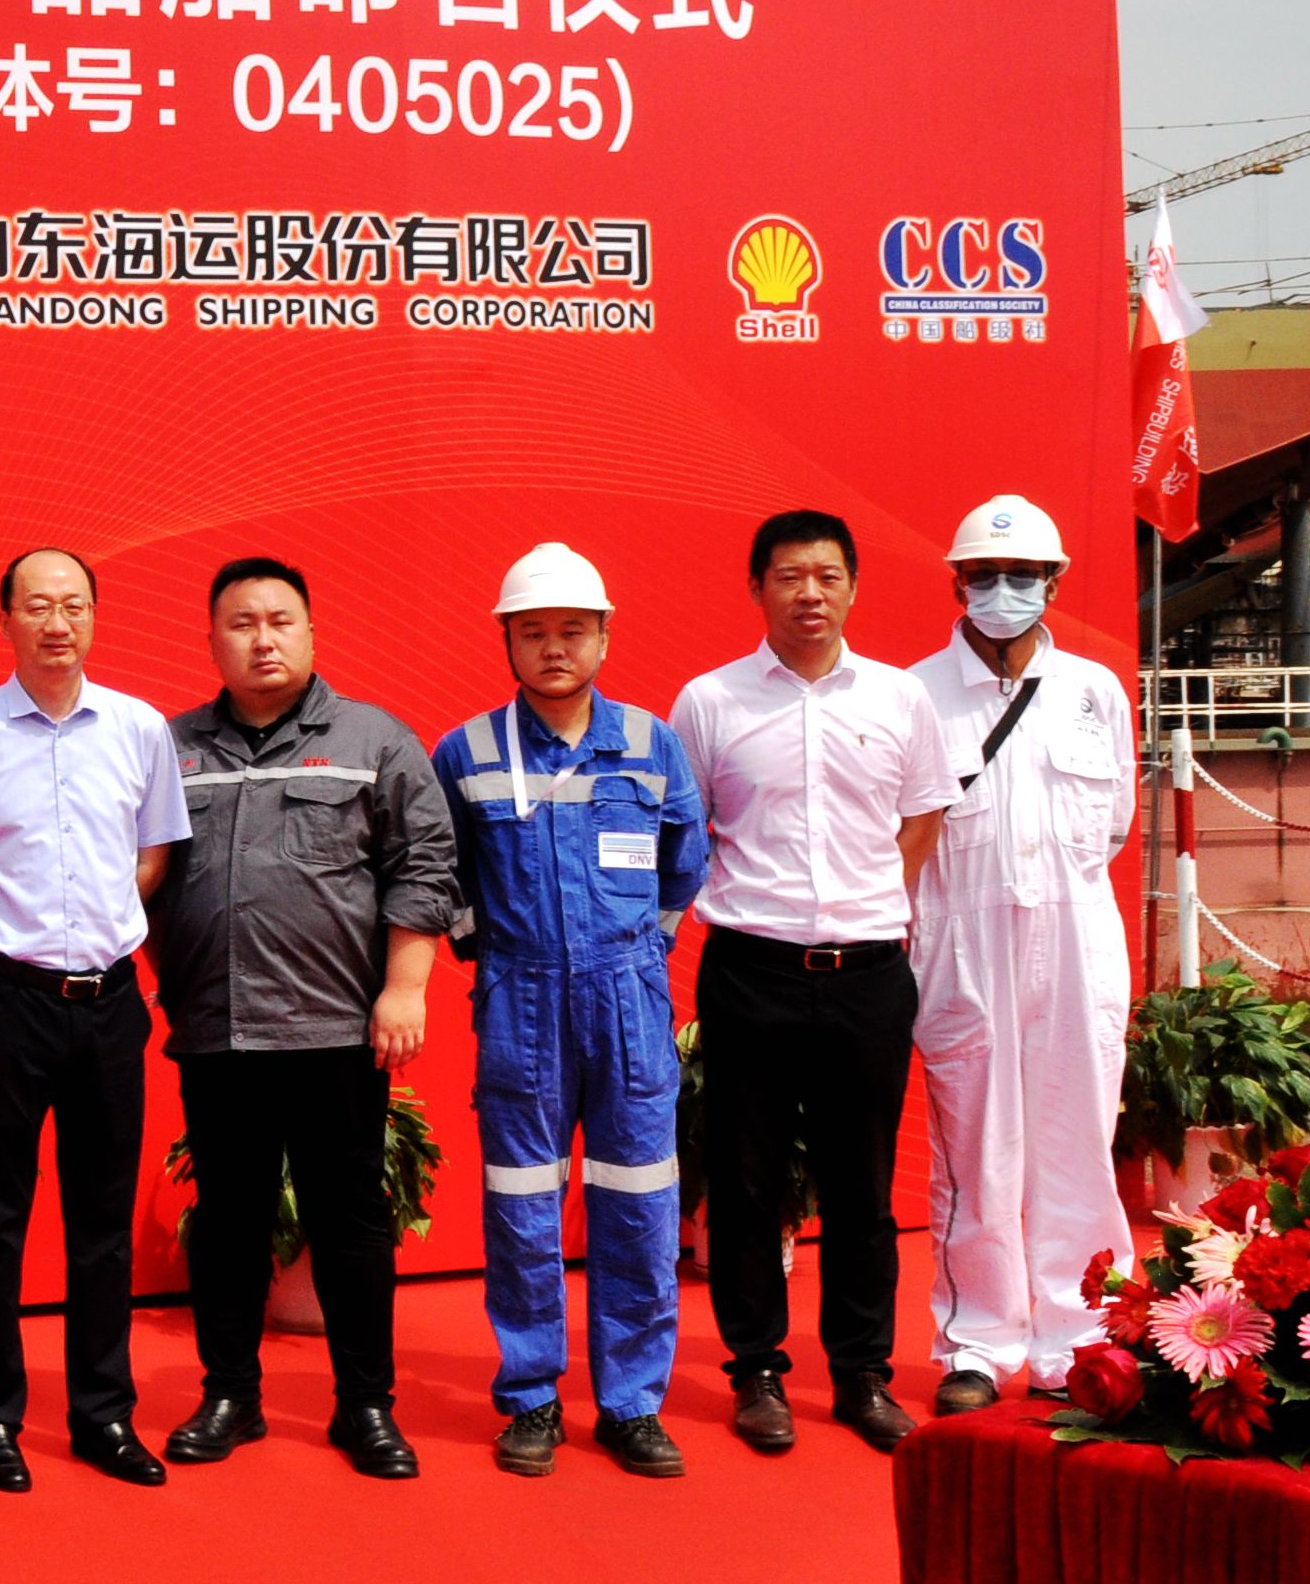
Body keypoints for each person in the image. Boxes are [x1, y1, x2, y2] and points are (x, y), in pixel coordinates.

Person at [151, 559, 458, 1479]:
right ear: (213, 641)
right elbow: (139, 876)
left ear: (313, 634)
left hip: (336, 1030)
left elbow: (425, 864)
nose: (262, 639)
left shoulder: (374, 740)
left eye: (280, 621)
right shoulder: (170, 748)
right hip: (220, 1030)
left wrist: (405, 990)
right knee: (229, 1220)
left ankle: (365, 1405)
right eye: (241, 623)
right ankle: (230, 1395)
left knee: (350, 1219)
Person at [671, 511, 957, 1457]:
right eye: (790, 576)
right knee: (748, 1181)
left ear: (854, 588)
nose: (810, 594)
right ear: (757, 587)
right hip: (751, 969)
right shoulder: (709, 701)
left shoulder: (899, 698)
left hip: (868, 973)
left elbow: (923, 817)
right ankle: (756, 1370)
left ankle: (862, 1373)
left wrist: (866, 906)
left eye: (828, 576)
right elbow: (685, 825)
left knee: (862, 1183)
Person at [0, 547, 190, 1492]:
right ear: (5, 620)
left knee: (101, 1220)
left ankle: (103, 1414)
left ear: (96, 616)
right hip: (2, 1001)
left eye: (73, 605)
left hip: (108, 1003)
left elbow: (153, 852)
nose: (57, 623)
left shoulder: (139, 729)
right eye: (37, 606)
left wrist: (101, 926)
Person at [433, 543, 705, 1479]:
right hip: (521, 1002)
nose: (555, 649)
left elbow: (685, 860)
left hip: (629, 1000)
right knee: (522, 1203)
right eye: (535, 633)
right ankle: (532, 1398)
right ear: (507, 641)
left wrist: (641, 955)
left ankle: (633, 1404)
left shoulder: (651, 743)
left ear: (604, 637)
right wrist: (492, 954)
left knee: (639, 1200)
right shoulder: (467, 752)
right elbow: (442, 870)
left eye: (573, 632)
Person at [908, 494, 1137, 1410]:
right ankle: (979, 1341)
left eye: (1023, 576)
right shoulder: (914, 695)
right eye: (985, 576)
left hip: (1076, 932)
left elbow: (1113, 824)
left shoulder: (1094, 692)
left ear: (1055, 583)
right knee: (975, 1151)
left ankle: (1082, 1337)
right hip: (960, 939)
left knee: (1080, 1142)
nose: (1003, 591)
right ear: (956, 584)